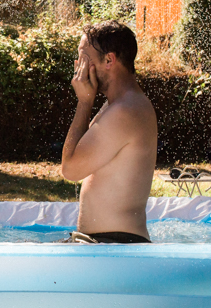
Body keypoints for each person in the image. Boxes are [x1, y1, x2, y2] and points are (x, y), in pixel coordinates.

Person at [60, 21, 158, 244]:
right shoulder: (121, 105)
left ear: (109, 60)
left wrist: (84, 103)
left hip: (115, 246)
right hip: (107, 243)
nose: (78, 66)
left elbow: (71, 169)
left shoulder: (125, 111)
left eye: (84, 58)